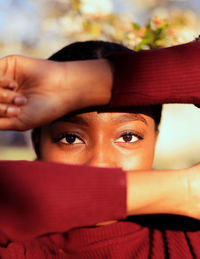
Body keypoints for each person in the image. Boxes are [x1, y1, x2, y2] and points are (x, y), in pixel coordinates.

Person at [0, 40, 199, 258]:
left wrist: (82, 82)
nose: (99, 165)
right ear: (37, 142)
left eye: (128, 136)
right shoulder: (17, 250)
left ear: (155, 141)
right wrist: (187, 190)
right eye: (71, 138)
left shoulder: (188, 238)